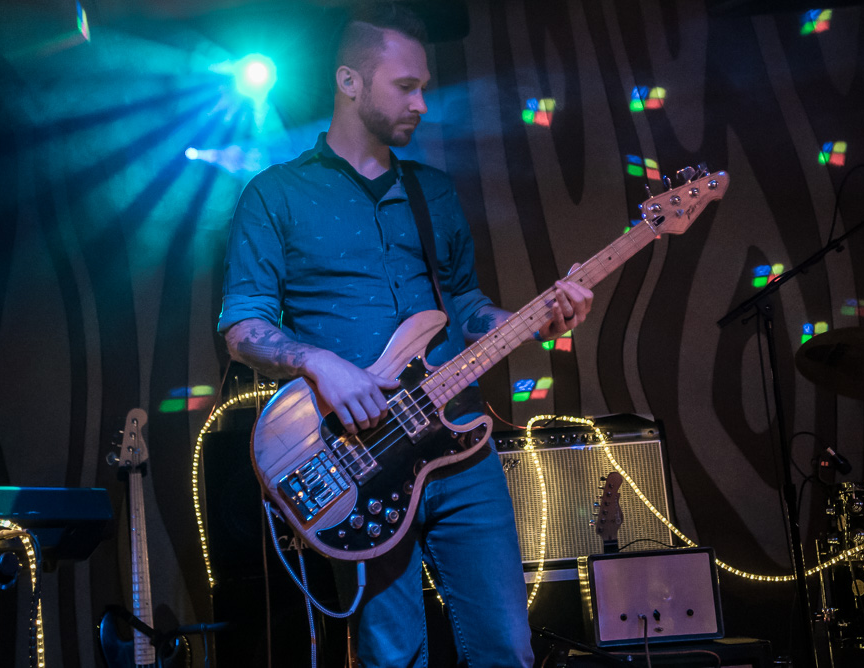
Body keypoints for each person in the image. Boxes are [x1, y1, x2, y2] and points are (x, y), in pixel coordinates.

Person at [218, 5, 592, 666]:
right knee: (393, 657)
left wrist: (534, 321)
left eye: (425, 85)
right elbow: (243, 328)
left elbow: (467, 304)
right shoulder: (273, 197)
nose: (423, 101)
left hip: (461, 446)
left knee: (507, 646)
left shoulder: (435, 194)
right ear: (350, 82)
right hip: (359, 457)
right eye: (406, 86)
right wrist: (320, 363)